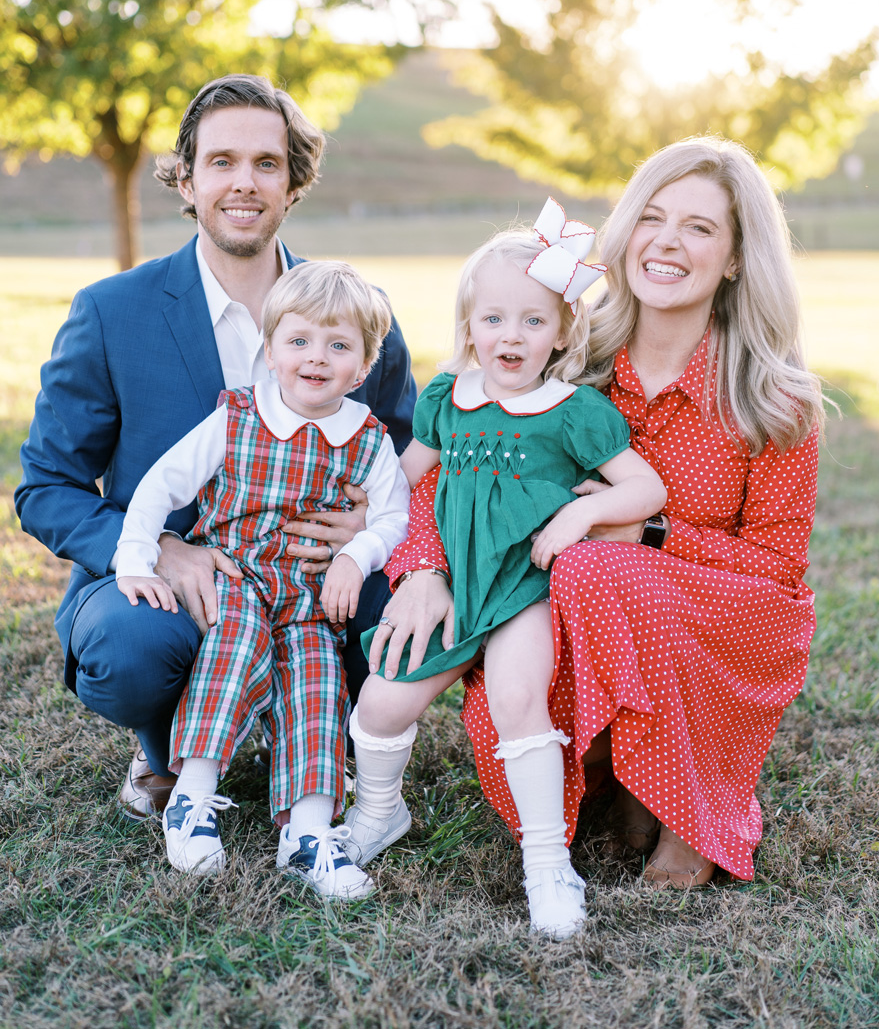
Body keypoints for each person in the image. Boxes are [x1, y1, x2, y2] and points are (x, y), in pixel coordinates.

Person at [375, 137, 823, 892]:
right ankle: (612, 771)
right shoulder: (560, 361)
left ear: (739, 257)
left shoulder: (773, 400)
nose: (667, 242)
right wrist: (422, 566)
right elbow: (444, 467)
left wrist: (647, 534)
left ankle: (689, 809)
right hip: (566, 615)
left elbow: (778, 570)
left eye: (701, 227)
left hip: (722, 615)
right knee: (574, 580)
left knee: (598, 565)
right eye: (651, 217)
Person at [15, 75, 416, 823]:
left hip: (313, 577)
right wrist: (160, 547)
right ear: (188, 179)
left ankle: (334, 741)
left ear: (294, 182)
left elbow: (409, 459)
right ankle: (162, 749)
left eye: (267, 163)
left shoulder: (359, 315)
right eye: (221, 161)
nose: (243, 182)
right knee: (132, 643)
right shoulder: (112, 312)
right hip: (170, 581)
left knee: (405, 613)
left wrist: (367, 530)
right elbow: (45, 488)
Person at [343, 210, 666, 938]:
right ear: (468, 325)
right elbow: (400, 482)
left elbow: (646, 491)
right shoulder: (445, 402)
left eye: (531, 320)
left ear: (561, 332)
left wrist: (581, 516)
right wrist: (361, 514)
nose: (510, 336)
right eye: (493, 318)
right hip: (455, 585)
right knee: (383, 700)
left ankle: (549, 863)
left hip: (527, 587)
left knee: (522, 699)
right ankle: (377, 813)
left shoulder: (573, 412)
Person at [115, 261, 409, 895]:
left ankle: (307, 834)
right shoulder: (237, 417)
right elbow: (161, 484)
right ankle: (191, 796)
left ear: (362, 367)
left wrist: (356, 555)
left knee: (317, 684)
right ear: (270, 351)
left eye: (339, 345)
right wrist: (136, 555)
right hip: (237, 573)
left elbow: (393, 519)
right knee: (235, 645)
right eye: (299, 341)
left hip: (308, 594)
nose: (316, 358)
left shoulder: (368, 440)